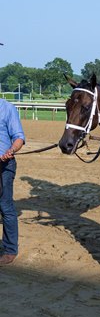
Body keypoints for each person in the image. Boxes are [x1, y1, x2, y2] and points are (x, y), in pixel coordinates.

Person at [0, 99, 25, 265]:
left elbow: (19, 138)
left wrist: (11, 150)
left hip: (4, 165)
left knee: (5, 205)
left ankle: (10, 249)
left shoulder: (7, 108)